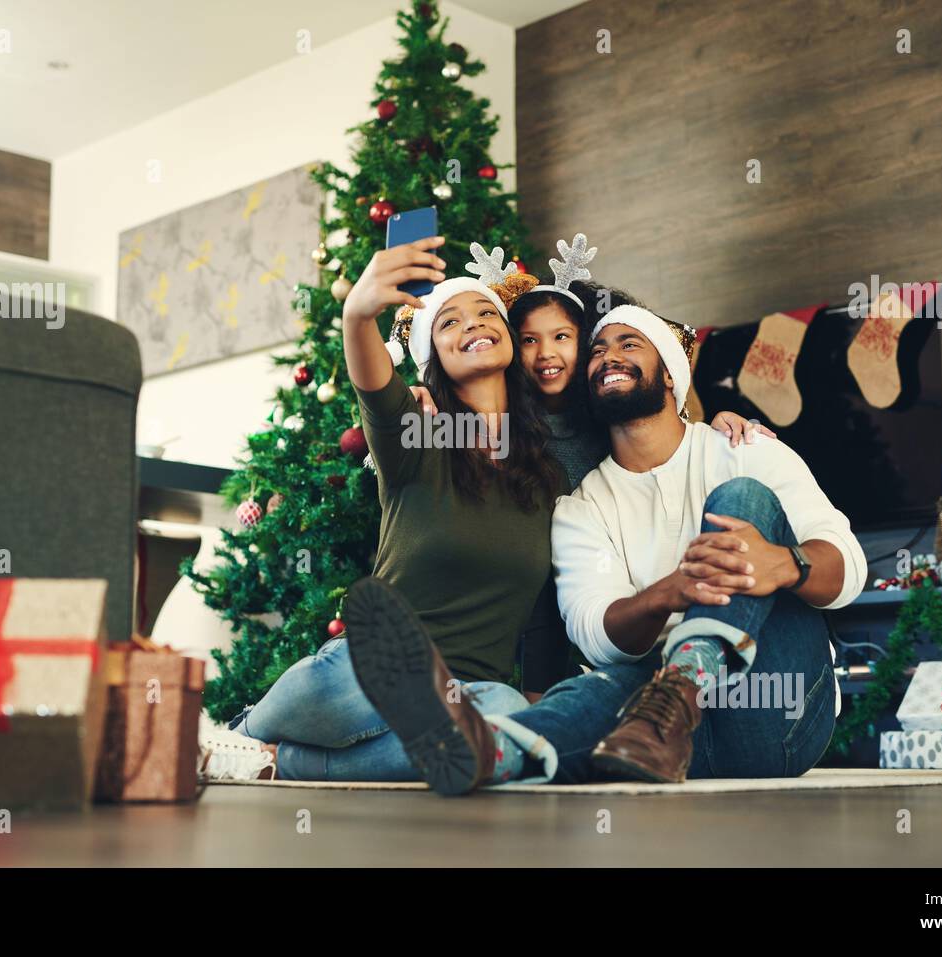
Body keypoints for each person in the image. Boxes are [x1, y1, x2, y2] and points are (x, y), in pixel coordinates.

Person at [345, 301, 868, 794]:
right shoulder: (580, 506)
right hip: (648, 740)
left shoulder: (743, 450)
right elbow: (596, 633)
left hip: (774, 717)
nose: (609, 356)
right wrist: (668, 593)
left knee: (742, 499)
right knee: (599, 684)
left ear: (670, 373)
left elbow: (849, 568)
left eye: (630, 343)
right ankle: (491, 754)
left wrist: (788, 565)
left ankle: (680, 688)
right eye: (596, 350)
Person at [227, 235, 563, 780]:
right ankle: (244, 739)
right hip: (374, 671)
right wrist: (358, 313)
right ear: (433, 356)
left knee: (510, 722)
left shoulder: (548, 477)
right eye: (449, 322)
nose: (473, 323)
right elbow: (373, 382)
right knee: (337, 679)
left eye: (485, 312)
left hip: (468, 695)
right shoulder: (418, 434)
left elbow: (545, 620)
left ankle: (272, 764)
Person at [408, 235, 771, 698]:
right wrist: (422, 399)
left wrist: (717, 421)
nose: (545, 355)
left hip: (626, 578)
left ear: (585, 345)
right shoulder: (509, 430)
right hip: (545, 591)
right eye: (528, 342)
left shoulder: (608, 412)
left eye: (562, 338)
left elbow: (666, 435)